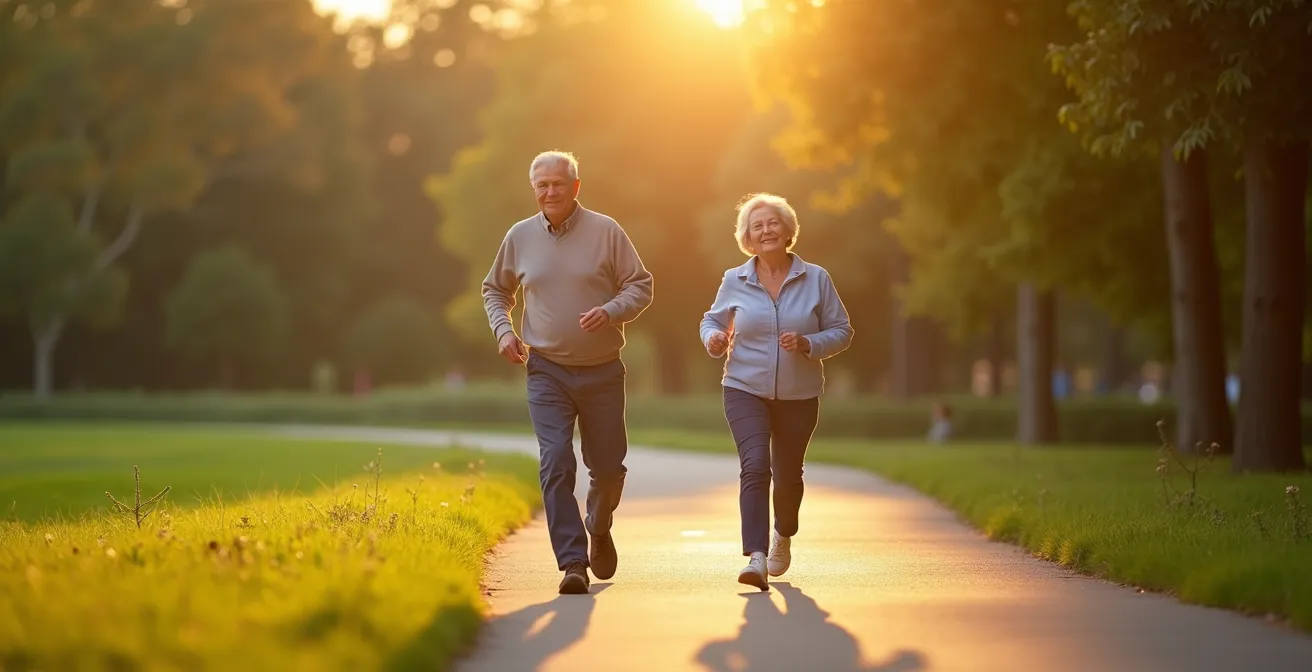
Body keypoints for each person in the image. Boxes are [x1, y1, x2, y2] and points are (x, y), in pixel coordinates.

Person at [481, 150, 654, 595]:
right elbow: (496, 290)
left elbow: (641, 284)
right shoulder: (519, 236)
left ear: (575, 187)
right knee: (556, 459)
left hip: (602, 372)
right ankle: (573, 562)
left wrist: (612, 310)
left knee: (609, 467)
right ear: (534, 189)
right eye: (542, 185)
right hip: (546, 370)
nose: (550, 191)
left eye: (559, 183)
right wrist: (503, 331)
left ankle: (598, 523)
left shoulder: (607, 231)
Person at [699, 192, 853, 591]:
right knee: (754, 466)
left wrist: (808, 344)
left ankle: (782, 534)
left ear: (787, 231)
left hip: (799, 395)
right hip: (743, 387)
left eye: (773, 223)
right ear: (748, 237)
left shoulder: (816, 278)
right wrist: (714, 338)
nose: (766, 230)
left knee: (787, 476)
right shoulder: (735, 279)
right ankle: (756, 556)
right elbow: (711, 321)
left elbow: (842, 331)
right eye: (757, 225)